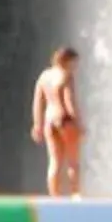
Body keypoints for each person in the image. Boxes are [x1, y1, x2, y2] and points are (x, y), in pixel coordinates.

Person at [31, 47, 84, 198]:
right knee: (73, 162)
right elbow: (69, 101)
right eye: (75, 62)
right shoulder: (66, 76)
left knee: (54, 161)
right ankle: (75, 195)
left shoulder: (44, 76)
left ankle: (55, 196)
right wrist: (78, 123)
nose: (76, 66)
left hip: (49, 120)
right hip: (65, 119)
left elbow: (38, 102)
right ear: (68, 60)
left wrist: (37, 124)